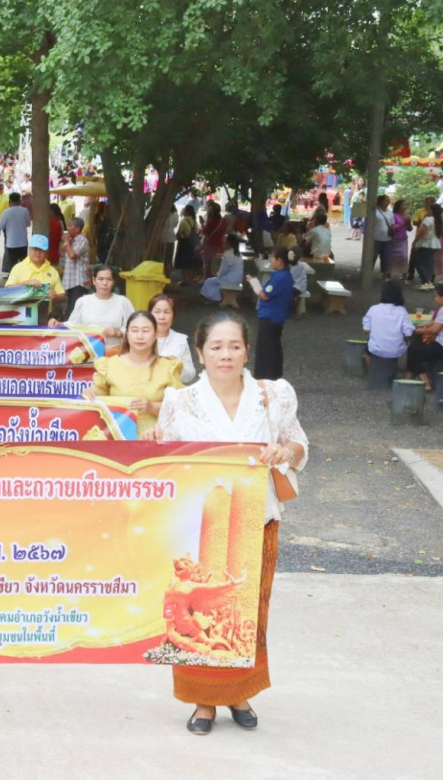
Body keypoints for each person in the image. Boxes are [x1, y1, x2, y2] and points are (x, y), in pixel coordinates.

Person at [142, 309, 308, 736]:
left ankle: (239, 692)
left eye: (234, 346)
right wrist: (154, 443)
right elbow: (168, 461)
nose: (226, 355)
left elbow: (299, 442)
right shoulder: (181, 401)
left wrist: (286, 452)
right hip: (200, 523)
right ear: (199, 352)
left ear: (247, 350)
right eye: (216, 347)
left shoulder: (273, 394)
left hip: (259, 517)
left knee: (249, 610)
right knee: (201, 613)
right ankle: (203, 701)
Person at [82, 310, 183, 432]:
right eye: (134, 330)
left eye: (145, 331)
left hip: (157, 438)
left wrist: (151, 407)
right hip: (118, 437)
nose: (139, 336)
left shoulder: (168, 367)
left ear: (155, 334)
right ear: (127, 334)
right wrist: (89, 394)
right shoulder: (109, 365)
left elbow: (181, 407)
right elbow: (97, 399)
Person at [50, 264, 133, 353]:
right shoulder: (83, 301)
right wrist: (60, 324)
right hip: (89, 353)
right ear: (94, 280)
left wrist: (118, 333)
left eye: (109, 279)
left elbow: (133, 328)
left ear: (113, 282)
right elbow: (74, 324)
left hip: (116, 354)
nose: (104, 283)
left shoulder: (123, 302)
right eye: (100, 279)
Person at [406, 283, 443, 391]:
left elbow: (435, 329)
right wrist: (427, 326)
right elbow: (437, 323)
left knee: (413, 351)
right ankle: (410, 375)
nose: (435, 299)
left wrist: (420, 330)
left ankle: (426, 383)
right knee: (414, 344)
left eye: (437, 296)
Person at [251, 246, 294, 380]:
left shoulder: (280, 277)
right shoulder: (286, 275)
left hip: (270, 315)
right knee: (274, 345)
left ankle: (264, 375)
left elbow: (264, 295)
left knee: (266, 347)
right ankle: (274, 373)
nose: (271, 260)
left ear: (279, 260)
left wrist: (254, 284)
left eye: (272, 258)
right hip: (277, 315)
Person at [6, 234, 66, 306]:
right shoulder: (18, 268)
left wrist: (54, 296)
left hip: (44, 314)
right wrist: (25, 284)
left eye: (41, 250)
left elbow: (62, 297)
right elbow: (7, 291)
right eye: (35, 248)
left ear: (46, 252)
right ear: (29, 249)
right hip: (21, 314)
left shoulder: (53, 271)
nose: (38, 252)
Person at [362, 281, 414, 364]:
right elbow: (408, 333)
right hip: (396, 350)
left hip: (376, 349)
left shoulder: (373, 309)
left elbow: (366, 330)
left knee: (368, 345)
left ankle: (370, 368)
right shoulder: (402, 311)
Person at [150, 294, 196, 384]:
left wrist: (178, 365)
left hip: (171, 393)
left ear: (173, 316)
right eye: (157, 312)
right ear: (149, 314)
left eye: (167, 312)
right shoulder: (140, 338)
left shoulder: (180, 340)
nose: (162, 317)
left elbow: (190, 376)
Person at [202, 233, 243, 303]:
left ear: (229, 244)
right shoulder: (238, 253)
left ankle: (212, 298)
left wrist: (217, 275)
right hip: (238, 278)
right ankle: (216, 297)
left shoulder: (227, 255)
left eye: (225, 242)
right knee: (214, 281)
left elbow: (223, 270)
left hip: (230, 279)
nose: (224, 244)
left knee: (209, 281)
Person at [0, 192, 31, 275]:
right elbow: (28, 224)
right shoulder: (25, 211)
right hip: (23, 242)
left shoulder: (6, 212)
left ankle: (14, 281)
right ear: (20, 200)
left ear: (10, 201)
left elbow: (0, 226)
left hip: (11, 243)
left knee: (12, 265)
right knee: (23, 264)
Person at [411, 203, 443, 291]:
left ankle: (426, 281)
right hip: (434, 243)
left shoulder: (428, 219)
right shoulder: (438, 220)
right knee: (428, 263)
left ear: (431, 210)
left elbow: (421, 232)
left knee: (419, 263)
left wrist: (414, 242)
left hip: (425, 243)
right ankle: (427, 281)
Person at [61, 217, 90, 307]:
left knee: (75, 311)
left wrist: (66, 242)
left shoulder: (82, 239)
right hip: (71, 282)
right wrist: (67, 241)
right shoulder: (72, 240)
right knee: (70, 310)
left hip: (79, 282)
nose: (68, 228)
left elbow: (72, 255)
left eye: (70, 226)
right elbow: (63, 252)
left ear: (77, 229)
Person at [173, 205, 199, 282]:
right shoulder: (194, 221)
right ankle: (190, 279)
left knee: (184, 263)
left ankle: (184, 280)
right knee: (190, 262)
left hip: (184, 244)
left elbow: (179, 233)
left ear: (187, 212)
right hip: (192, 244)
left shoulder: (183, 222)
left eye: (184, 210)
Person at [370, 195, 394, 279]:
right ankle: (368, 275)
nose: (388, 203)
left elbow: (392, 224)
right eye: (386, 201)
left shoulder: (390, 212)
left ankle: (385, 277)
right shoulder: (375, 212)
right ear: (380, 201)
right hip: (375, 238)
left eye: (388, 201)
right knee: (372, 257)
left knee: (386, 258)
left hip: (387, 239)